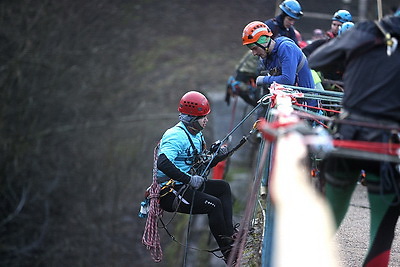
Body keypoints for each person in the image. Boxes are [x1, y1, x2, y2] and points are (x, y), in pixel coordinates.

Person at [308, 14, 400, 267]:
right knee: (382, 233)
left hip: (346, 138)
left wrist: (353, 57)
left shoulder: (367, 31)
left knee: (326, 220)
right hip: (387, 148)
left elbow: (316, 59)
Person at [156, 91, 235, 262]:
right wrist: (189, 179)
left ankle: (230, 236)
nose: (206, 120)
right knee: (214, 204)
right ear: (191, 119)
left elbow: (200, 163)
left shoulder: (196, 134)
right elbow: (162, 163)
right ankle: (229, 254)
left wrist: (217, 155)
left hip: (188, 185)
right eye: (202, 117)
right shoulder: (175, 136)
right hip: (172, 191)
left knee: (223, 188)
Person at [242, 21, 317, 107]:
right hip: (292, 104)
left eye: (255, 48)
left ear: (264, 42)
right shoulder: (266, 58)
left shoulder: (286, 48)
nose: (254, 53)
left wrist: (263, 79)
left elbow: (287, 80)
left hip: (308, 105)